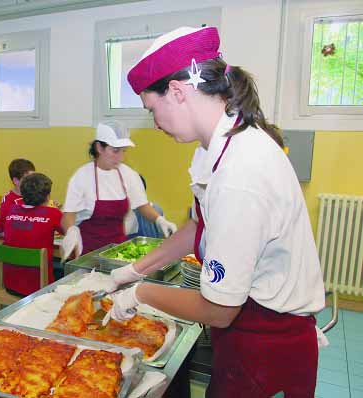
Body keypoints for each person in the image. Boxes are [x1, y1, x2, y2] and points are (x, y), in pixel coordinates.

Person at [105, 26, 325, 397]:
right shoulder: (217, 147)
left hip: (266, 346)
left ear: (177, 91)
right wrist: (134, 269)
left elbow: (219, 309)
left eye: (152, 109)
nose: (155, 123)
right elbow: (198, 226)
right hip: (246, 337)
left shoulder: (242, 170)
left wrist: (141, 294)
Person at [60, 121, 177, 259]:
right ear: (99, 148)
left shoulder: (128, 174)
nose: (121, 157)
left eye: (124, 151)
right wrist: (71, 230)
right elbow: (68, 215)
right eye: (115, 151)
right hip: (88, 252)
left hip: (118, 252)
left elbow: (142, 206)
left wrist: (159, 220)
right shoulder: (82, 176)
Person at [0, 173, 65, 296]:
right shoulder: (53, 214)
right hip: (41, 288)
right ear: (48, 196)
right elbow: (69, 233)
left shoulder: (11, 210)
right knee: (64, 270)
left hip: (10, 285)